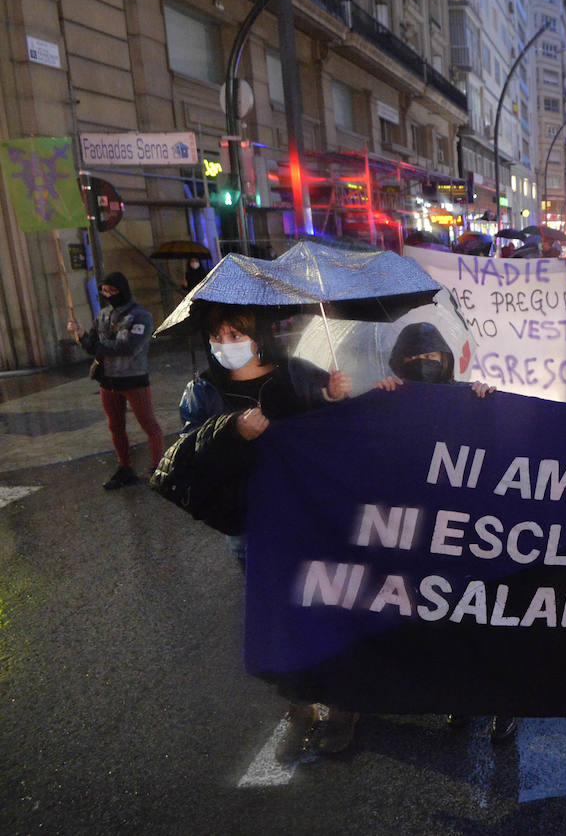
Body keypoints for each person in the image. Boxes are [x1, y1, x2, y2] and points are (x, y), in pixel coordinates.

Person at [152, 303, 354, 762]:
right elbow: (189, 456)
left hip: (312, 519)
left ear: (257, 334)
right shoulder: (203, 391)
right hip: (252, 526)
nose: (226, 344)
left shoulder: (299, 374)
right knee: (279, 618)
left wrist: (336, 399)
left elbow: (339, 437)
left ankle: (344, 706)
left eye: (235, 333)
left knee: (329, 607)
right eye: (217, 336)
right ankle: (300, 707)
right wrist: (231, 433)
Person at [372, 324, 515, 741]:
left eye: (431, 357)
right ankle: (460, 699)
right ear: (398, 363)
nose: (423, 365)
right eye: (413, 360)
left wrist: (490, 407)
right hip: (425, 538)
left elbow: (503, 458)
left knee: (488, 622)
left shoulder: (470, 398)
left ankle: (504, 703)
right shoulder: (392, 400)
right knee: (446, 624)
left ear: (447, 359)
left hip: (474, 535)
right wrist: (375, 400)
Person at [67, 272, 165, 490]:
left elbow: (127, 347)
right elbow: (92, 342)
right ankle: (125, 468)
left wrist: (95, 346)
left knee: (149, 424)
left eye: (113, 290)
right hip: (108, 381)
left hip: (133, 378)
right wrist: (81, 334)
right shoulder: (103, 315)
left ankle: (160, 468)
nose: (109, 295)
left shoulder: (140, 315)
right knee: (115, 426)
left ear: (123, 289)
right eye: (105, 291)